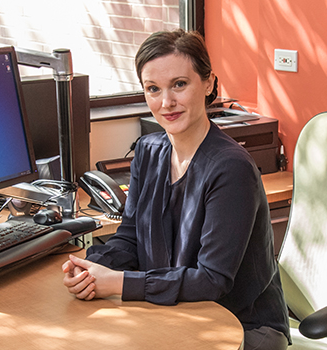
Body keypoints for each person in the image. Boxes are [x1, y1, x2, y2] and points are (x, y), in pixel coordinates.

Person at [62, 29, 291, 349]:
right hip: (174, 312)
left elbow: (212, 280)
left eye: (179, 85)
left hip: (240, 326)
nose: (166, 102)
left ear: (209, 83)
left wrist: (115, 282)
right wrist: (92, 268)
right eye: (153, 89)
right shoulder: (147, 150)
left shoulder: (231, 168)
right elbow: (130, 236)